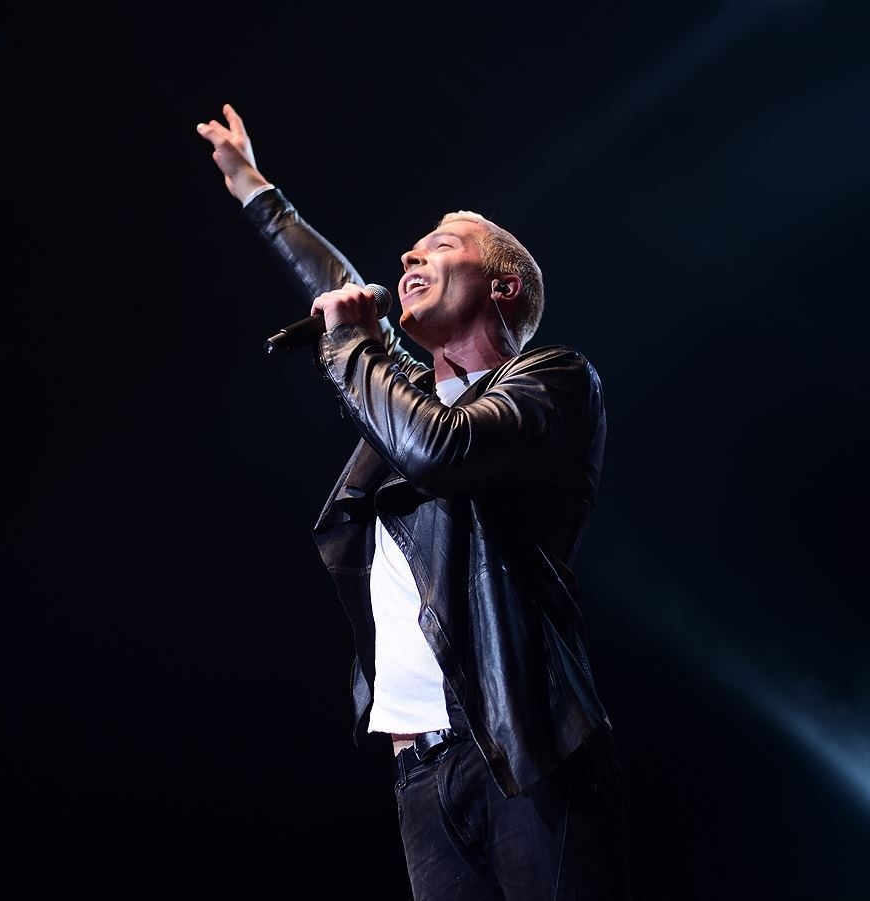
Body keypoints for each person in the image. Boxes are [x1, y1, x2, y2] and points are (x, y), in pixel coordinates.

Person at [196, 103, 630, 900]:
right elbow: (340, 291)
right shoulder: (412, 401)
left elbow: (441, 449)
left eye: (441, 245)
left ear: (501, 285)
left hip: (521, 741)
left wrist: (349, 343)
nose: (409, 254)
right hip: (420, 776)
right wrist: (256, 189)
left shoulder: (553, 383)